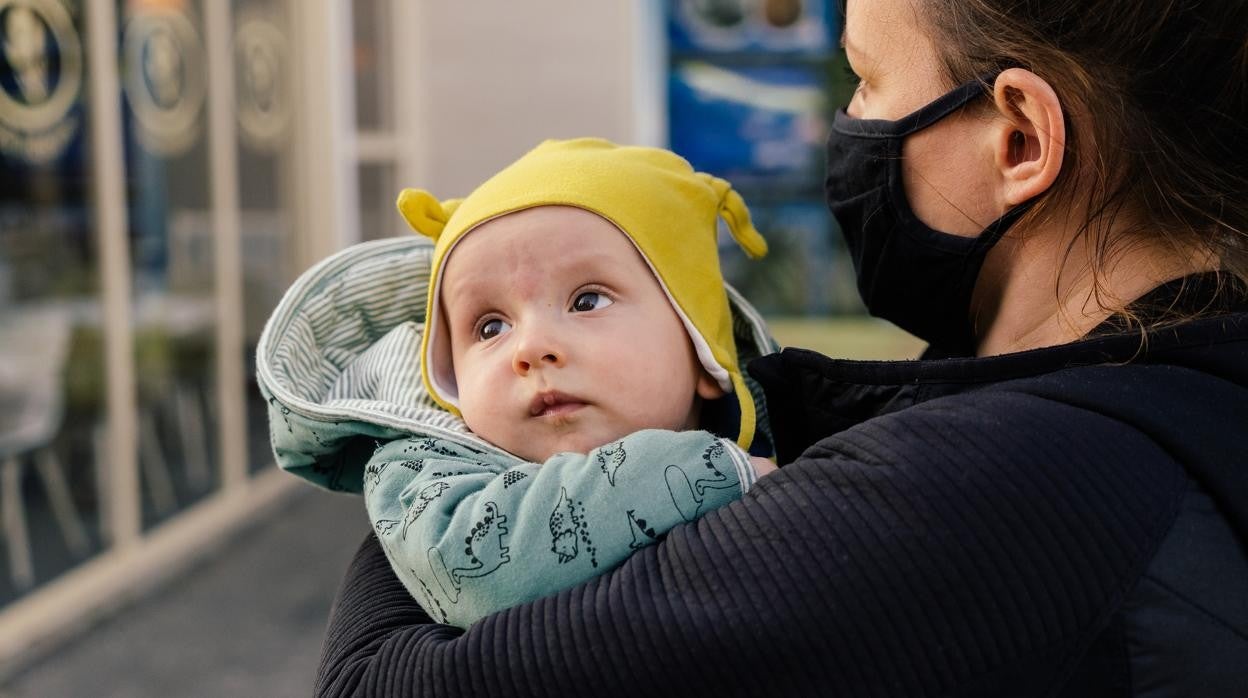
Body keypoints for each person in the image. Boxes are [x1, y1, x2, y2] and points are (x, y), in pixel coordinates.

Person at [309, 1, 1248, 696]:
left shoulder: (1000, 485)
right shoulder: (1173, 388)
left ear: (1016, 141)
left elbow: (374, 685)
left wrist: (428, 448)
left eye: (868, 80)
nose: (853, 124)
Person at [257, 138, 779, 629]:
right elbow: (472, 566)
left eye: (587, 300)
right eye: (490, 327)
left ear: (702, 355)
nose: (530, 349)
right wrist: (711, 470)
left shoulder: (798, 432)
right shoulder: (423, 472)